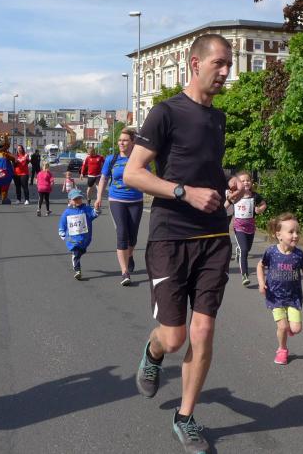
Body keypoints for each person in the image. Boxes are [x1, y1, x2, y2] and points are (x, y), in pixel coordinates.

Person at [123, 34, 242, 453]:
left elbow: (206, 168)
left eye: (229, 64)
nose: (226, 71)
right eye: (219, 63)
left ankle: (185, 417)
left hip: (213, 236)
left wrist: (229, 181)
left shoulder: (218, 118)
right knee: (174, 338)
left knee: (203, 330)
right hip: (171, 236)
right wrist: (183, 192)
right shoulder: (165, 112)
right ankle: (154, 352)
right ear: (195, 64)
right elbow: (133, 174)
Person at [257, 213, 303, 365]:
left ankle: (289, 328)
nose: (295, 235)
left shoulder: (298, 254)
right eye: (291, 232)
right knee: (282, 326)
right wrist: (261, 282)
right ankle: (282, 350)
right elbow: (260, 266)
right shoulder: (271, 252)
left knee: (296, 329)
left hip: (293, 297)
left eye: (297, 232)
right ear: (279, 235)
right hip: (275, 296)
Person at [95, 128, 146, 287]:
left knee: (133, 236)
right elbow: (104, 179)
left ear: (133, 142)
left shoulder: (139, 160)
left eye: (125, 140)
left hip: (136, 201)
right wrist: (98, 197)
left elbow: (147, 178)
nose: (121, 143)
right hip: (116, 200)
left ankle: (129, 255)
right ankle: (125, 272)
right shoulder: (112, 159)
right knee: (122, 233)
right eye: (119, 140)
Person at [227, 171, 267, 287]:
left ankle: (239, 250)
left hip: (251, 227)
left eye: (248, 180)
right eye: (242, 181)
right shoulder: (235, 194)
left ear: (251, 182)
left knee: (247, 249)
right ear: (238, 183)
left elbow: (264, 204)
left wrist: (260, 209)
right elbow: (227, 203)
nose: (245, 182)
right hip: (239, 227)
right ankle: (245, 275)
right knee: (244, 250)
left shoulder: (255, 196)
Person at [58, 189, 100, 280]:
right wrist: (63, 235)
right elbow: (62, 224)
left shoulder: (86, 209)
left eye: (79, 198)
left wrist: (97, 209)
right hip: (73, 239)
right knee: (76, 252)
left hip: (85, 238)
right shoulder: (67, 212)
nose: (78, 201)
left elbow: (94, 214)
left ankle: (77, 259)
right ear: (70, 201)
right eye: (75, 199)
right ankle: (78, 270)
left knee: (82, 251)